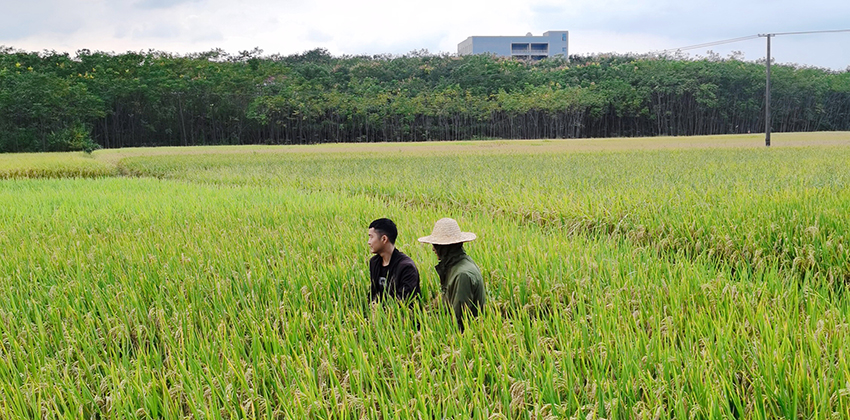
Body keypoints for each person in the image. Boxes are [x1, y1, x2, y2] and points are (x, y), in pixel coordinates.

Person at [419, 218, 485, 332]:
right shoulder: (456, 266)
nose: (433, 249)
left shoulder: (462, 274)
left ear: (445, 247)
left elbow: (459, 319)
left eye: (436, 245)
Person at [368, 218, 420, 306]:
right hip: (379, 315)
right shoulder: (374, 262)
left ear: (384, 239)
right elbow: (373, 293)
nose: (369, 242)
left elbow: (405, 300)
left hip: (403, 317)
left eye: (371, 237)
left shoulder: (406, 267)